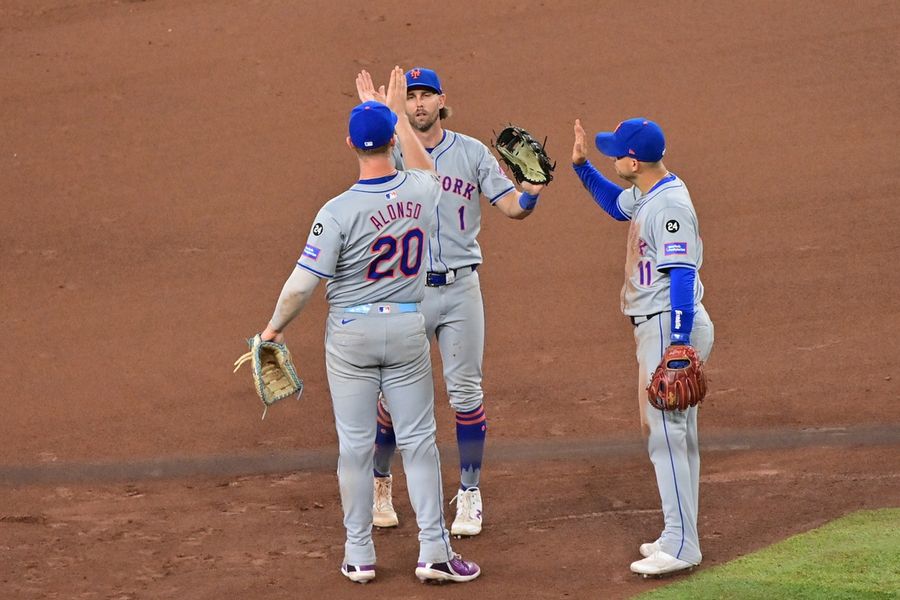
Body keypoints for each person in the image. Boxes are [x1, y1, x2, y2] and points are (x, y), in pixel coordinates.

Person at [255, 67, 479, 584]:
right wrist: (399, 116)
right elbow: (428, 170)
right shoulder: (423, 192)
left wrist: (273, 330)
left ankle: (359, 555)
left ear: (350, 145)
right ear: (391, 139)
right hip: (406, 329)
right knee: (419, 442)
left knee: (354, 448)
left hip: (351, 336)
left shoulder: (336, 211)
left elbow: (302, 284)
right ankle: (434, 552)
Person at [355, 67, 545, 537]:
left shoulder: (474, 153)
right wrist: (382, 115)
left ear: (443, 100)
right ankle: (381, 484)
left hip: (461, 291)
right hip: (409, 292)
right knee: (391, 399)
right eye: (411, 97)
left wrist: (534, 193)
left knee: (467, 397)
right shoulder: (391, 152)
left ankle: (470, 493)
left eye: (426, 96)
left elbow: (511, 207)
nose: (418, 104)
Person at [571, 117, 714, 576]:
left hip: (670, 327)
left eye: (615, 152)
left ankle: (684, 545)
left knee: (666, 437)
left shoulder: (668, 204)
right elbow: (617, 207)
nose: (612, 156)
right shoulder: (651, 191)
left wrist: (676, 345)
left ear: (633, 160)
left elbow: (682, 276)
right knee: (676, 437)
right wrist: (582, 167)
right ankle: (677, 534)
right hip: (661, 327)